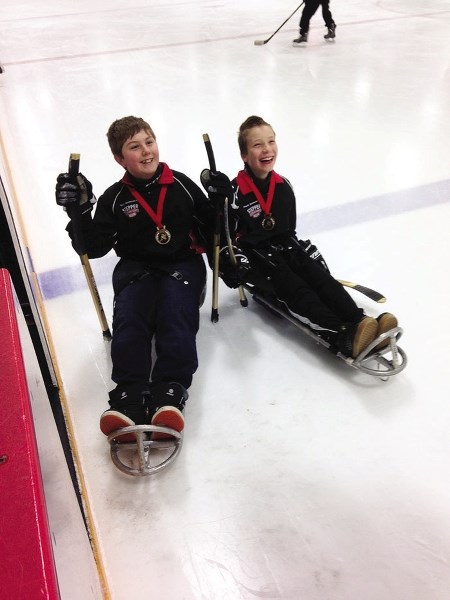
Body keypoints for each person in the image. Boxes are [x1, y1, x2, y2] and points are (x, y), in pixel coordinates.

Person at [56, 116, 215, 441]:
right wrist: (80, 211)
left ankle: (170, 391)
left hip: (182, 265)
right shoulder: (116, 197)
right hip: (137, 270)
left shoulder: (182, 185)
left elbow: (213, 227)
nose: (145, 151)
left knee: (174, 314)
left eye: (148, 142)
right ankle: (129, 394)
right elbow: (95, 247)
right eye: (134, 147)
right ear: (119, 158)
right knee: (130, 321)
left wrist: (221, 199)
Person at [201, 115, 398, 359]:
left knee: (321, 279)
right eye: (257, 145)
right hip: (259, 258)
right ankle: (341, 333)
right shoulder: (234, 193)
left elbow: (288, 230)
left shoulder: (283, 186)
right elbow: (227, 240)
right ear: (244, 155)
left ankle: (361, 322)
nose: (267, 149)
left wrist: (307, 252)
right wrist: (237, 263)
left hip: (286, 248)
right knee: (296, 290)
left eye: (271, 141)